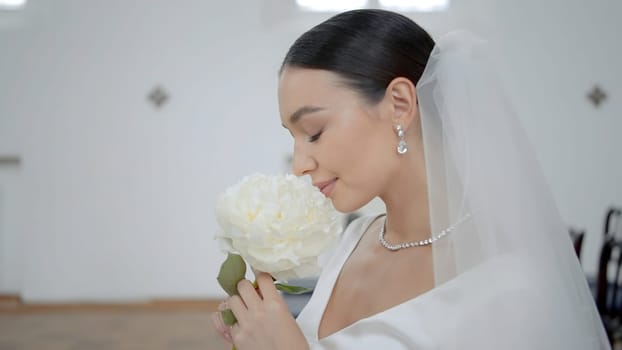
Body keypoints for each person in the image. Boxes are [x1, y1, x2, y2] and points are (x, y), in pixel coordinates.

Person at [211, 9, 611, 349]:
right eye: (292, 137)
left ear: (400, 104)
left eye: (313, 131)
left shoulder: (511, 286)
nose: (299, 165)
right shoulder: (354, 240)